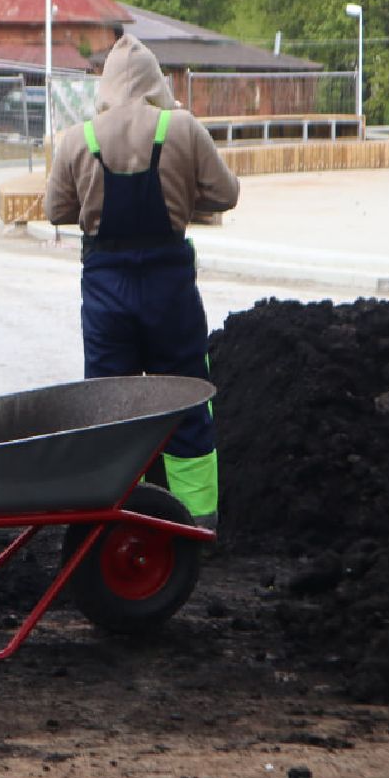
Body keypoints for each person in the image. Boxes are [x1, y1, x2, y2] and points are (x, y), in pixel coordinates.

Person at [44, 34, 239, 530]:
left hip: (107, 292)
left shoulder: (78, 138)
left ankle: (111, 522)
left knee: (110, 409)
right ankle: (198, 523)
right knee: (187, 402)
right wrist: (183, 195)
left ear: (105, 85)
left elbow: (55, 211)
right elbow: (225, 193)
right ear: (158, 82)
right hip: (169, 289)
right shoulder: (183, 128)